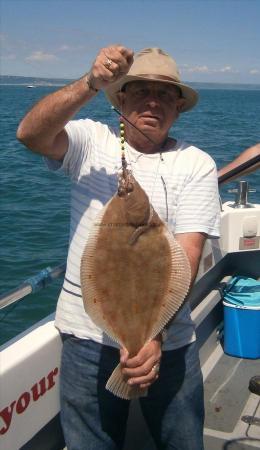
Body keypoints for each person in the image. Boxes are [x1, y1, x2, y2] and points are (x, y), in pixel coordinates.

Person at [17, 45, 220, 450]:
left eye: (165, 94)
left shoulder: (197, 163)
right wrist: (91, 82)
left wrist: (154, 336)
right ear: (120, 98)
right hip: (86, 338)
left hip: (171, 342)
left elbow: (189, 253)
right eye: (140, 90)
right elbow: (31, 135)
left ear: (178, 107)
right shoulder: (91, 140)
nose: (152, 101)